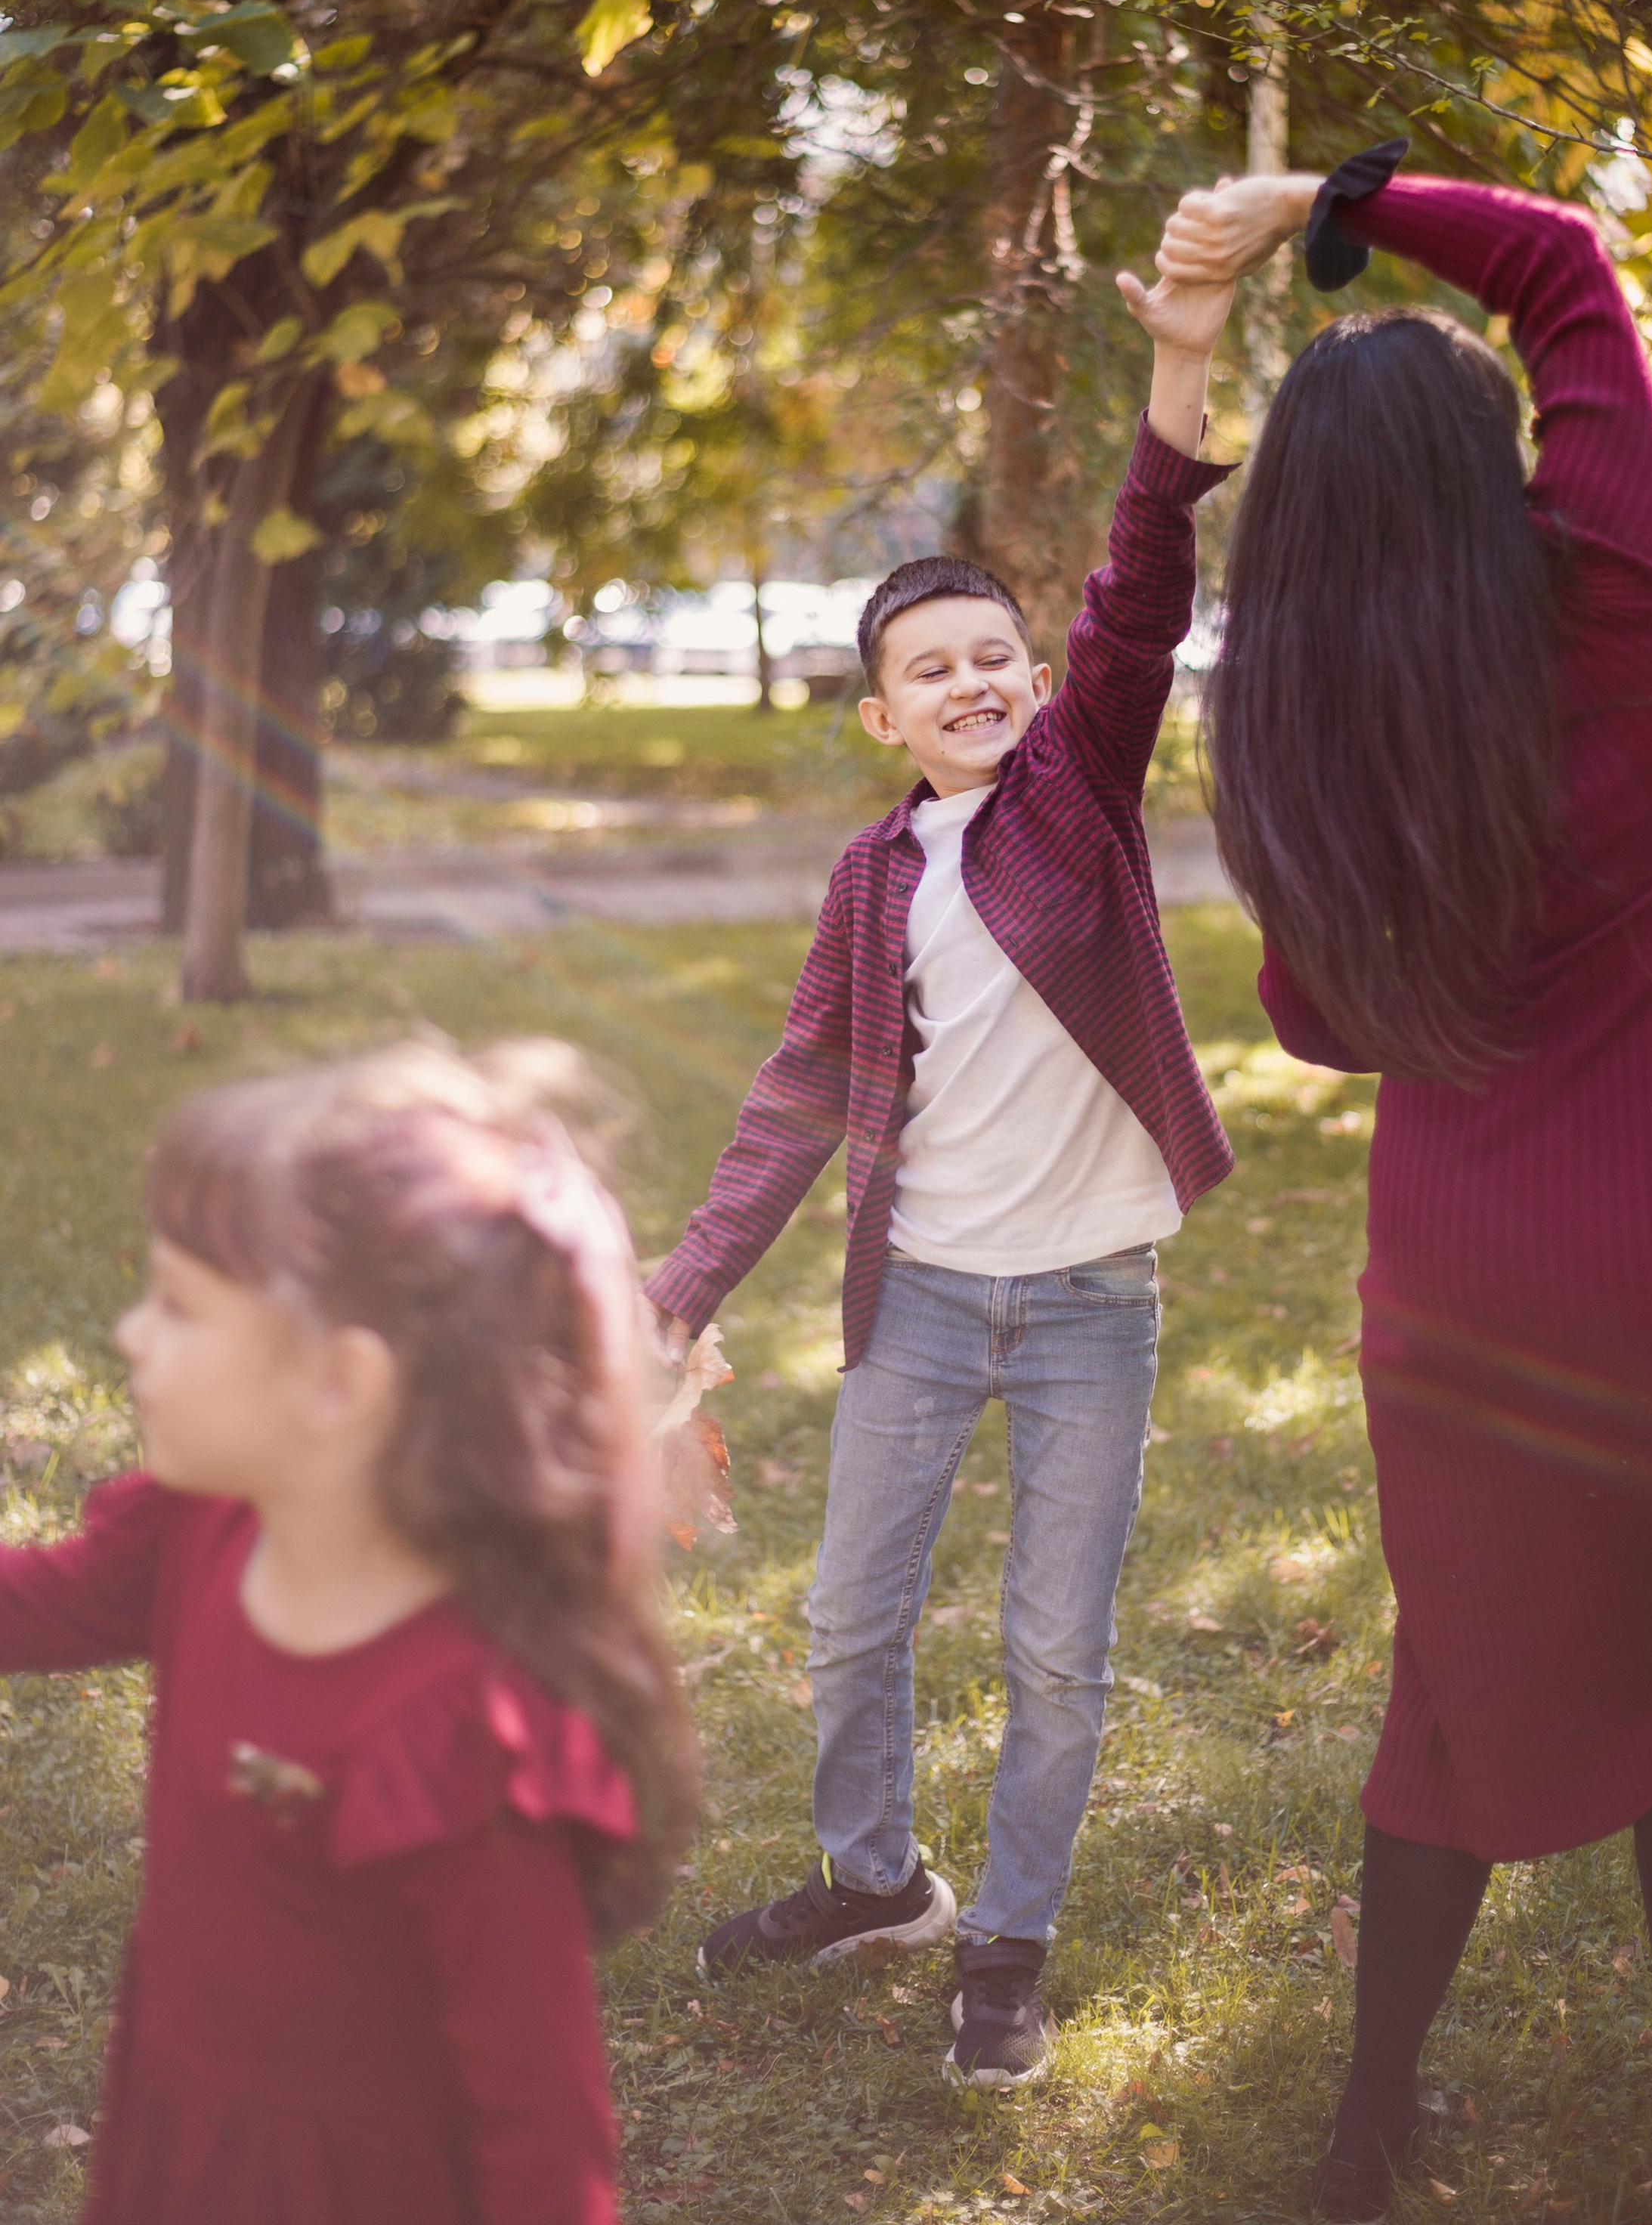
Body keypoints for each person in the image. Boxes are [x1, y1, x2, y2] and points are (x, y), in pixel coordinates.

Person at [1158, 152, 1652, 2225]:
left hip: (1474, 1259)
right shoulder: (1630, 613)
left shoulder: (1301, 730)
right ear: (1497, 477)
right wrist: (1331, 197)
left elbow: (1316, 1021)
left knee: (1464, 1671)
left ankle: (1366, 2129)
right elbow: (1566, 270)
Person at [645, 241, 1244, 2089]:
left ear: (1033, 684)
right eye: (930, 669)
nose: (970, 680)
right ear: (881, 716)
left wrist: (1178, 365)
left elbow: (1138, 586)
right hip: (917, 1299)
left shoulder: (1078, 793)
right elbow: (794, 1096)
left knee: (1055, 1649)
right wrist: (676, 1297)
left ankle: (1007, 1942)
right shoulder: (870, 878)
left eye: (993, 656)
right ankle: (876, 1885)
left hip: (1087, 1305)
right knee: (849, 1621)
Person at [0, 1038, 698, 2225]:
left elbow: (544, 2126)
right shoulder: (210, 1530)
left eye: (178, 1306)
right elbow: (37, 1601)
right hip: (179, 2140)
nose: (130, 1335)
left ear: (339, 1385)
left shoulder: (461, 1736)